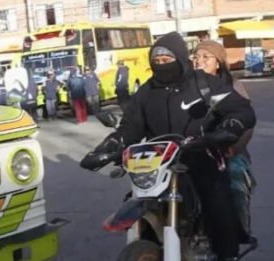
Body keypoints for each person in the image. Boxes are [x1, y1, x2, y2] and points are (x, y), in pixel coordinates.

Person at [83, 32, 256, 260]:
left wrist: (230, 126)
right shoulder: (146, 91)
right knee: (134, 199)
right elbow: (130, 127)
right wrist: (110, 145)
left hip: (200, 154)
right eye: (158, 62)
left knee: (218, 200)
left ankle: (227, 254)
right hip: (158, 162)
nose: (163, 66)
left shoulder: (203, 84)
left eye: (168, 60)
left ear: (181, 58)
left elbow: (240, 108)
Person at [193, 40, 255, 238]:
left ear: (218, 62)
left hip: (226, 150)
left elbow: (246, 123)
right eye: (195, 57)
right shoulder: (187, 86)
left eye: (205, 57)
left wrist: (233, 148)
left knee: (233, 180)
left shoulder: (233, 86)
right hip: (193, 149)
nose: (199, 61)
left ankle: (238, 232)